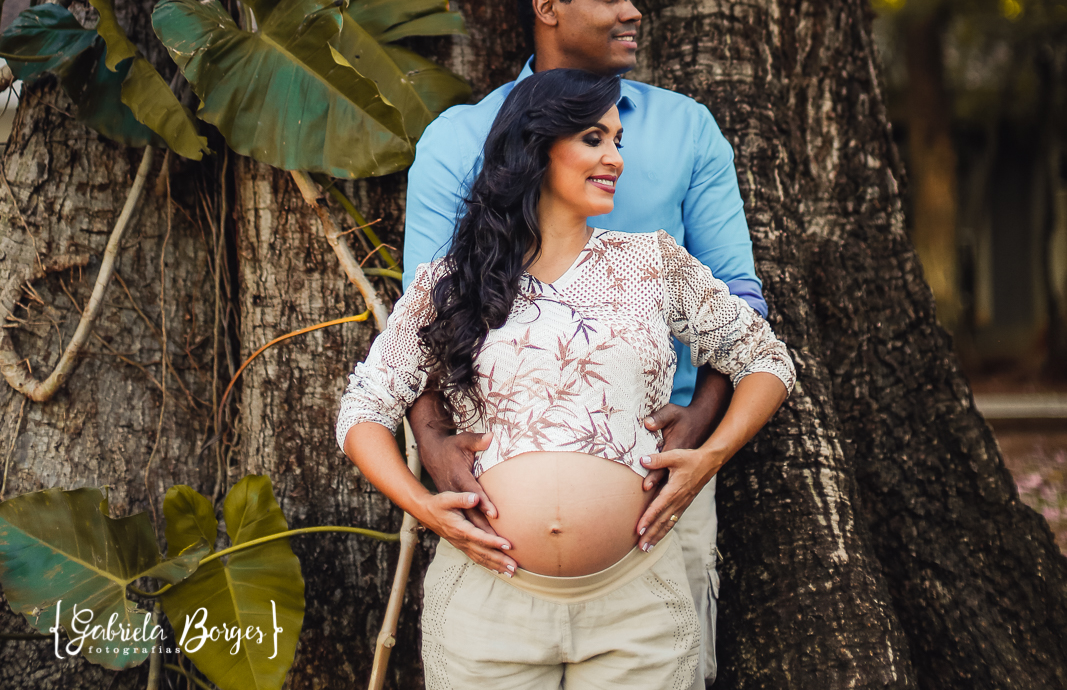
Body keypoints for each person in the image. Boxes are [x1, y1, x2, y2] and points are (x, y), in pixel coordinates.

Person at [337, 70, 794, 688]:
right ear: (536, 147)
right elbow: (363, 408)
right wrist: (423, 508)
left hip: (636, 606)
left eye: (618, 141)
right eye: (593, 139)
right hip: (487, 609)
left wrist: (710, 457)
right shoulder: (452, 281)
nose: (616, 159)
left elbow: (766, 359)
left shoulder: (651, 262)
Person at [402, 0, 765, 686]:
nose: (633, 12)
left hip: (661, 487)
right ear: (548, 8)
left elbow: (739, 301)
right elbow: (424, 321)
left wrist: (699, 431)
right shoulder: (458, 140)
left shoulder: (685, 129)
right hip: (494, 494)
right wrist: (434, 448)